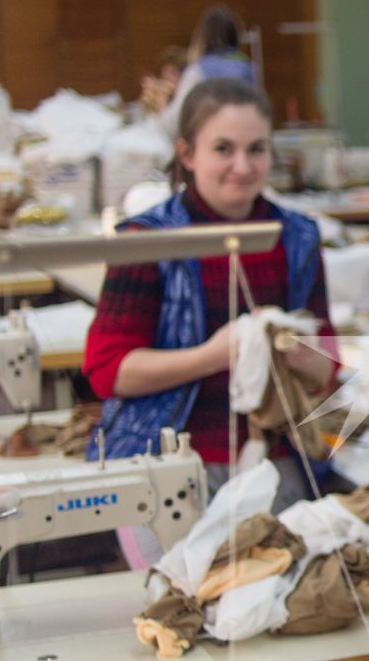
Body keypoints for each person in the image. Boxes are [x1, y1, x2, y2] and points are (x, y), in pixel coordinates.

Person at [84, 78, 335, 511]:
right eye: (224, 149)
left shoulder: (296, 236)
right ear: (187, 153)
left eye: (256, 149)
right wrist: (214, 355)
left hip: (274, 459)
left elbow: (329, 359)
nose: (242, 166)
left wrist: (308, 356)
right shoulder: (146, 241)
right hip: (169, 464)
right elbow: (108, 370)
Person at [160, 6, 257, 136]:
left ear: (202, 37)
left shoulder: (198, 71)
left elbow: (175, 124)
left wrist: (161, 105)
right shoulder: (248, 69)